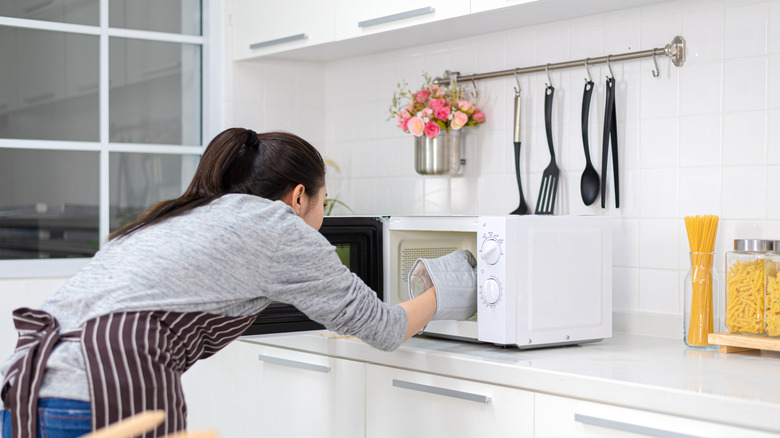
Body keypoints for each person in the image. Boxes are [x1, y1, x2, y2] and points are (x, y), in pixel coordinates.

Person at [0, 128, 476, 438]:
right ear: (298, 197)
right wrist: (449, 280)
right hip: (105, 388)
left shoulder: (187, 213)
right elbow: (387, 328)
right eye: (322, 205)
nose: (321, 220)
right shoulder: (277, 228)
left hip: (24, 384)